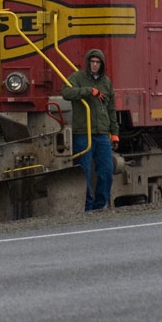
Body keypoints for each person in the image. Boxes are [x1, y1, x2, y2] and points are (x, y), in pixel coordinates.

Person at [62, 48, 119, 211]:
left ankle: (100, 206)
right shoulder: (77, 77)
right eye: (92, 62)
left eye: (97, 62)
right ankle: (86, 207)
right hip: (83, 133)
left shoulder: (106, 82)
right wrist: (88, 91)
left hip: (102, 135)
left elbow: (111, 109)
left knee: (106, 171)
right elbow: (66, 92)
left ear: (102, 64)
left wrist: (115, 133)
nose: (94, 65)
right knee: (84, 172)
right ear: (88, 63)